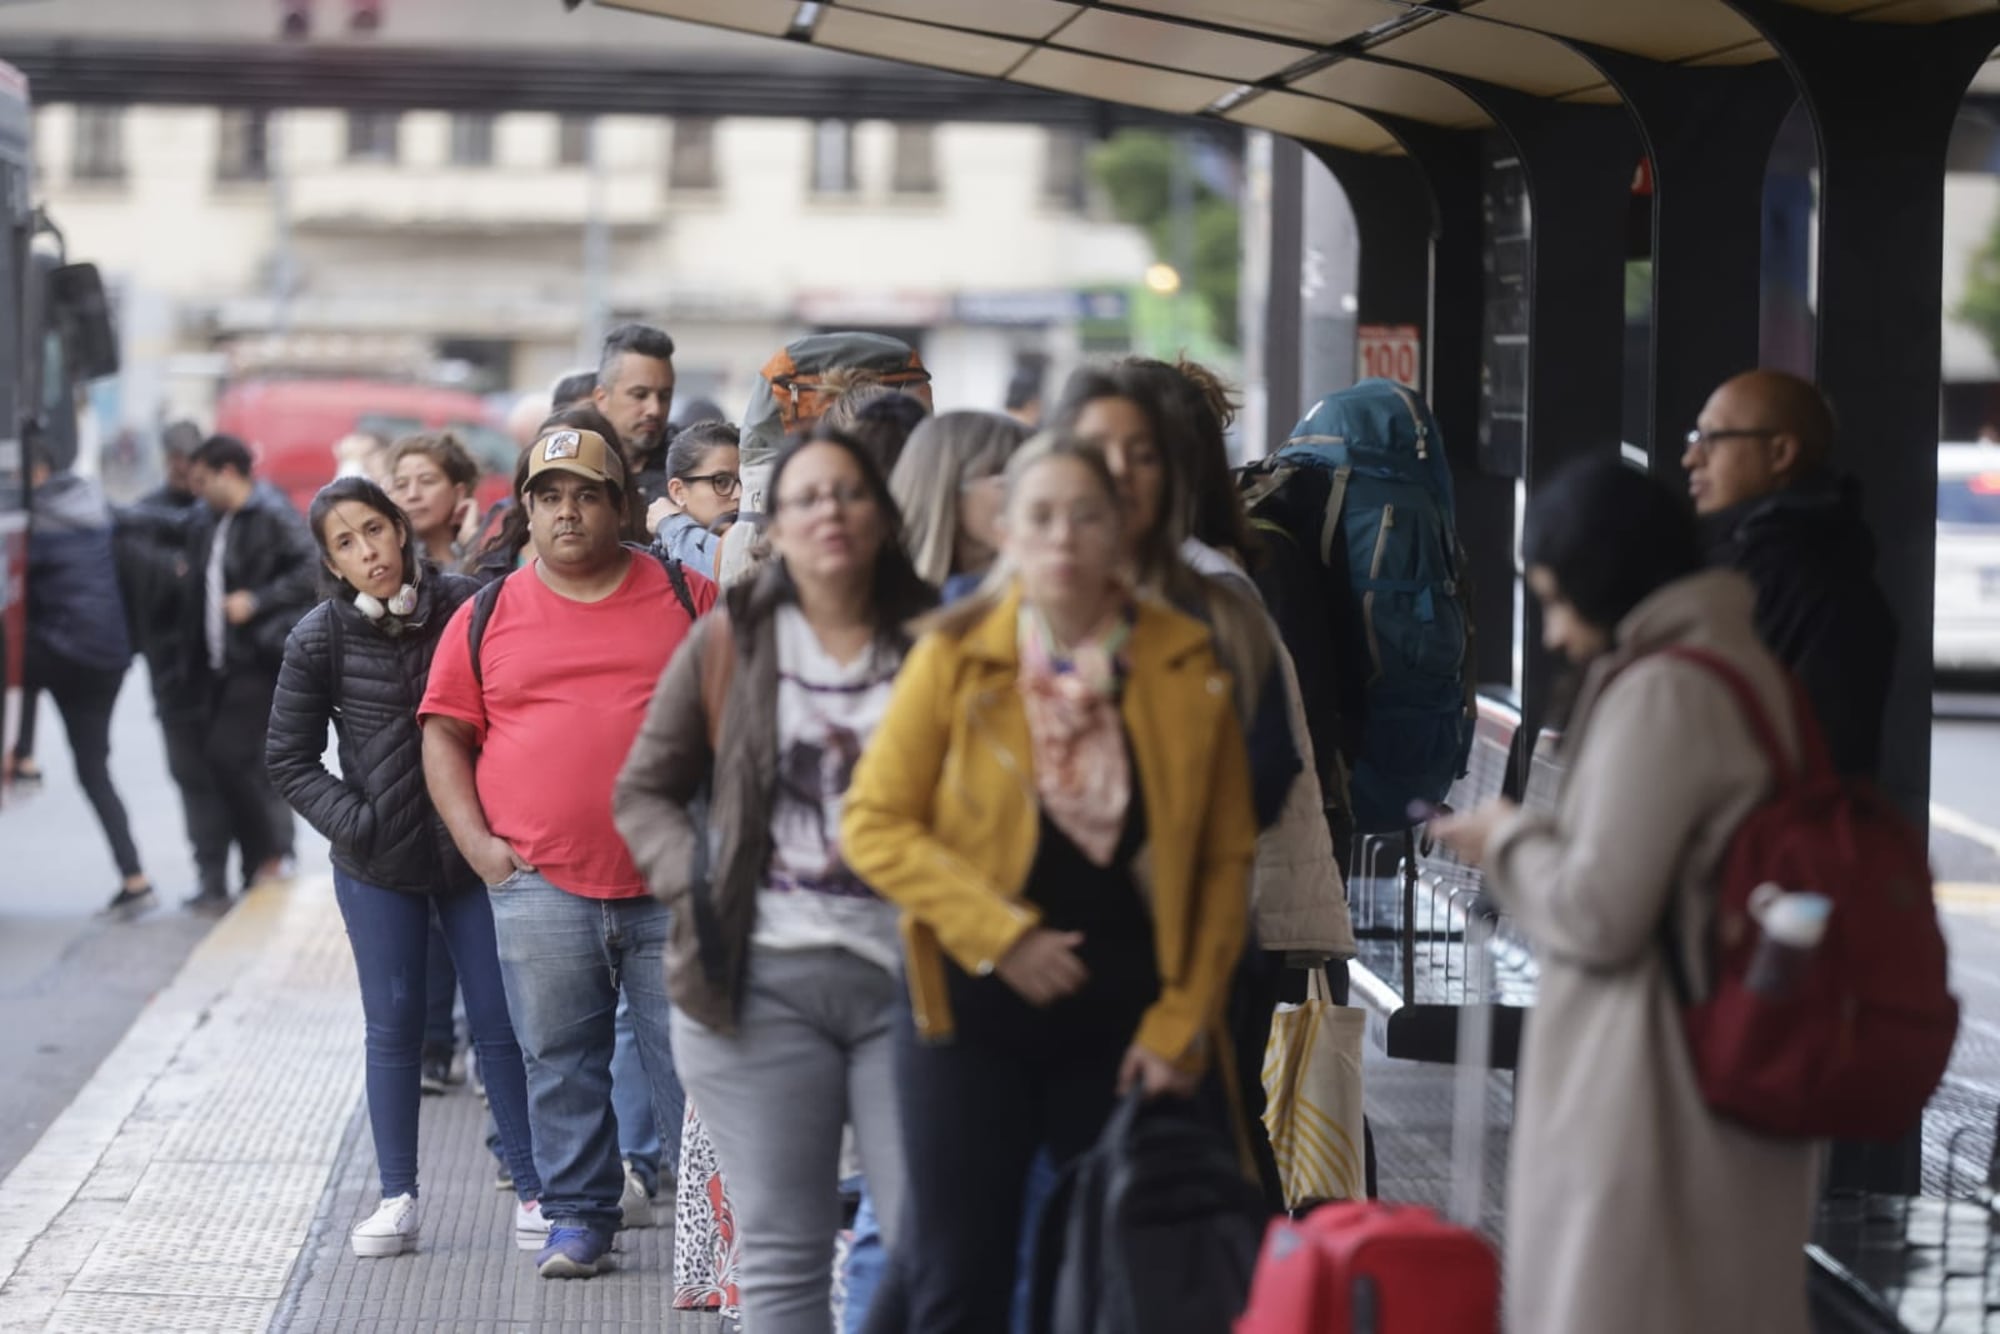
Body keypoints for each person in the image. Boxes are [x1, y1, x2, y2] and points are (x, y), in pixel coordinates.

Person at [840, 434, 1257, 1334]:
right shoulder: (955, 654)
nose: (1063, 536)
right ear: (1005, 533)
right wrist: (1002, 935)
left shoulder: (1187, 664)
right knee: (958, 1278)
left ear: (1122, 533)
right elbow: (873, 822)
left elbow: (1226, 861)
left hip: (1125, 1019)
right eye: (1040, 516)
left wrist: (1181, 1022)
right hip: (969, 1007)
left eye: (1087, 515)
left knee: (1111, 1275)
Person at [1433, 457, 1815, 1334]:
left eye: (1558, 597)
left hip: (1655, 1088)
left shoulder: (1666, 691)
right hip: (1712, 1071)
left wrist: (1509, 840)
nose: (1559, 632)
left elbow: (1601, 911)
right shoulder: (1739, 668)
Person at [615, 429, 935, 1334]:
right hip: (759, 982)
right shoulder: (730, 642)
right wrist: (697, 888)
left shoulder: (941, 646)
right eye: (805, 499)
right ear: (775, 528)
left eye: (850, 495)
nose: (829, 513)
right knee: (782, 1253)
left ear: (884, 518)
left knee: (925, 1237)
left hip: (912, 985)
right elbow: (645, 790)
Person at [420, 420, 716, 1279]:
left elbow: (742, 724)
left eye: (588, 494)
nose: (568, 513)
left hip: (673, 884)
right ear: (525, 511)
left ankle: (711, 1232)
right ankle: (580, 1221)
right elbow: (443, 736)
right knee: (559, 1063)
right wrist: (483, 853)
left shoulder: (689, 596)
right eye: (549, 498)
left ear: (619, 504)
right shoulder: (487, 613)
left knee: (695, 1066)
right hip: (539, 883)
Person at [266, 477, 544, 1259]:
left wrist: (500, 818)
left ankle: (532, 1190)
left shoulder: (468, 602)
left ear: (400, 529)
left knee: (500, 1024)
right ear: (333, 563)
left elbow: (518, 712)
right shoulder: (319, 636)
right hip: (376, 864)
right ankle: (398, 1198)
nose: (367, 553)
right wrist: (362, 822)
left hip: (473, 852)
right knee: (393, 1028)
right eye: (345, 545)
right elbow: (288, 758)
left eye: (374, 532)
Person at [1684, 370, 1896, 779]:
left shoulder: (1800, 578)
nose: (1692, 458)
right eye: (1694, 439)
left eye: (1712, 438)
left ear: (1780, 453)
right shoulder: (1756, 556)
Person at [153, 434, 319, 910]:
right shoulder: (210, 519)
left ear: (228, 473)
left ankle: (271, 855)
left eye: (203, 480)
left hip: (259, 659)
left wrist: (257, 601)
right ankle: (253, 864)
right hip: (217, 665)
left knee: (231, 757)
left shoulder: (270, 513)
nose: (197, 490)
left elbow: (310, 567)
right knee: (222, 764)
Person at [6, 441, 154, 915]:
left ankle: (22, 756)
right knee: (94, 772)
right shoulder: (92, 504)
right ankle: (136, 879)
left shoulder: (35, 522)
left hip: (65, 653)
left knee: (16, 661)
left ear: (40, 470)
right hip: (106, 660)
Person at [888, 410, 1029, 598]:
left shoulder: (1032, 599)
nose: (1028, 492)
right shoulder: (881, 602)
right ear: (947, 488)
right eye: (1003, 476)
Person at [593, 323, 678, 509]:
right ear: (602, 399)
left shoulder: (690, 467)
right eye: (640, 395)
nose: (654, 409)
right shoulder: (577, 461)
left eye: (664, 396)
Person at [649, 419, 741, 577]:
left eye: (744, 481)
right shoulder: (651, 569)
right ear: (678, 491)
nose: (739, 494)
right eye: (721, 481)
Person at [388, 432, 481, 569]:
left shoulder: (497, 547)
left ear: (459, 492)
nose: (412, 495)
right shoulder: (393, 562)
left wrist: (473, 543)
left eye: (427, 481)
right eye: (401, 485)